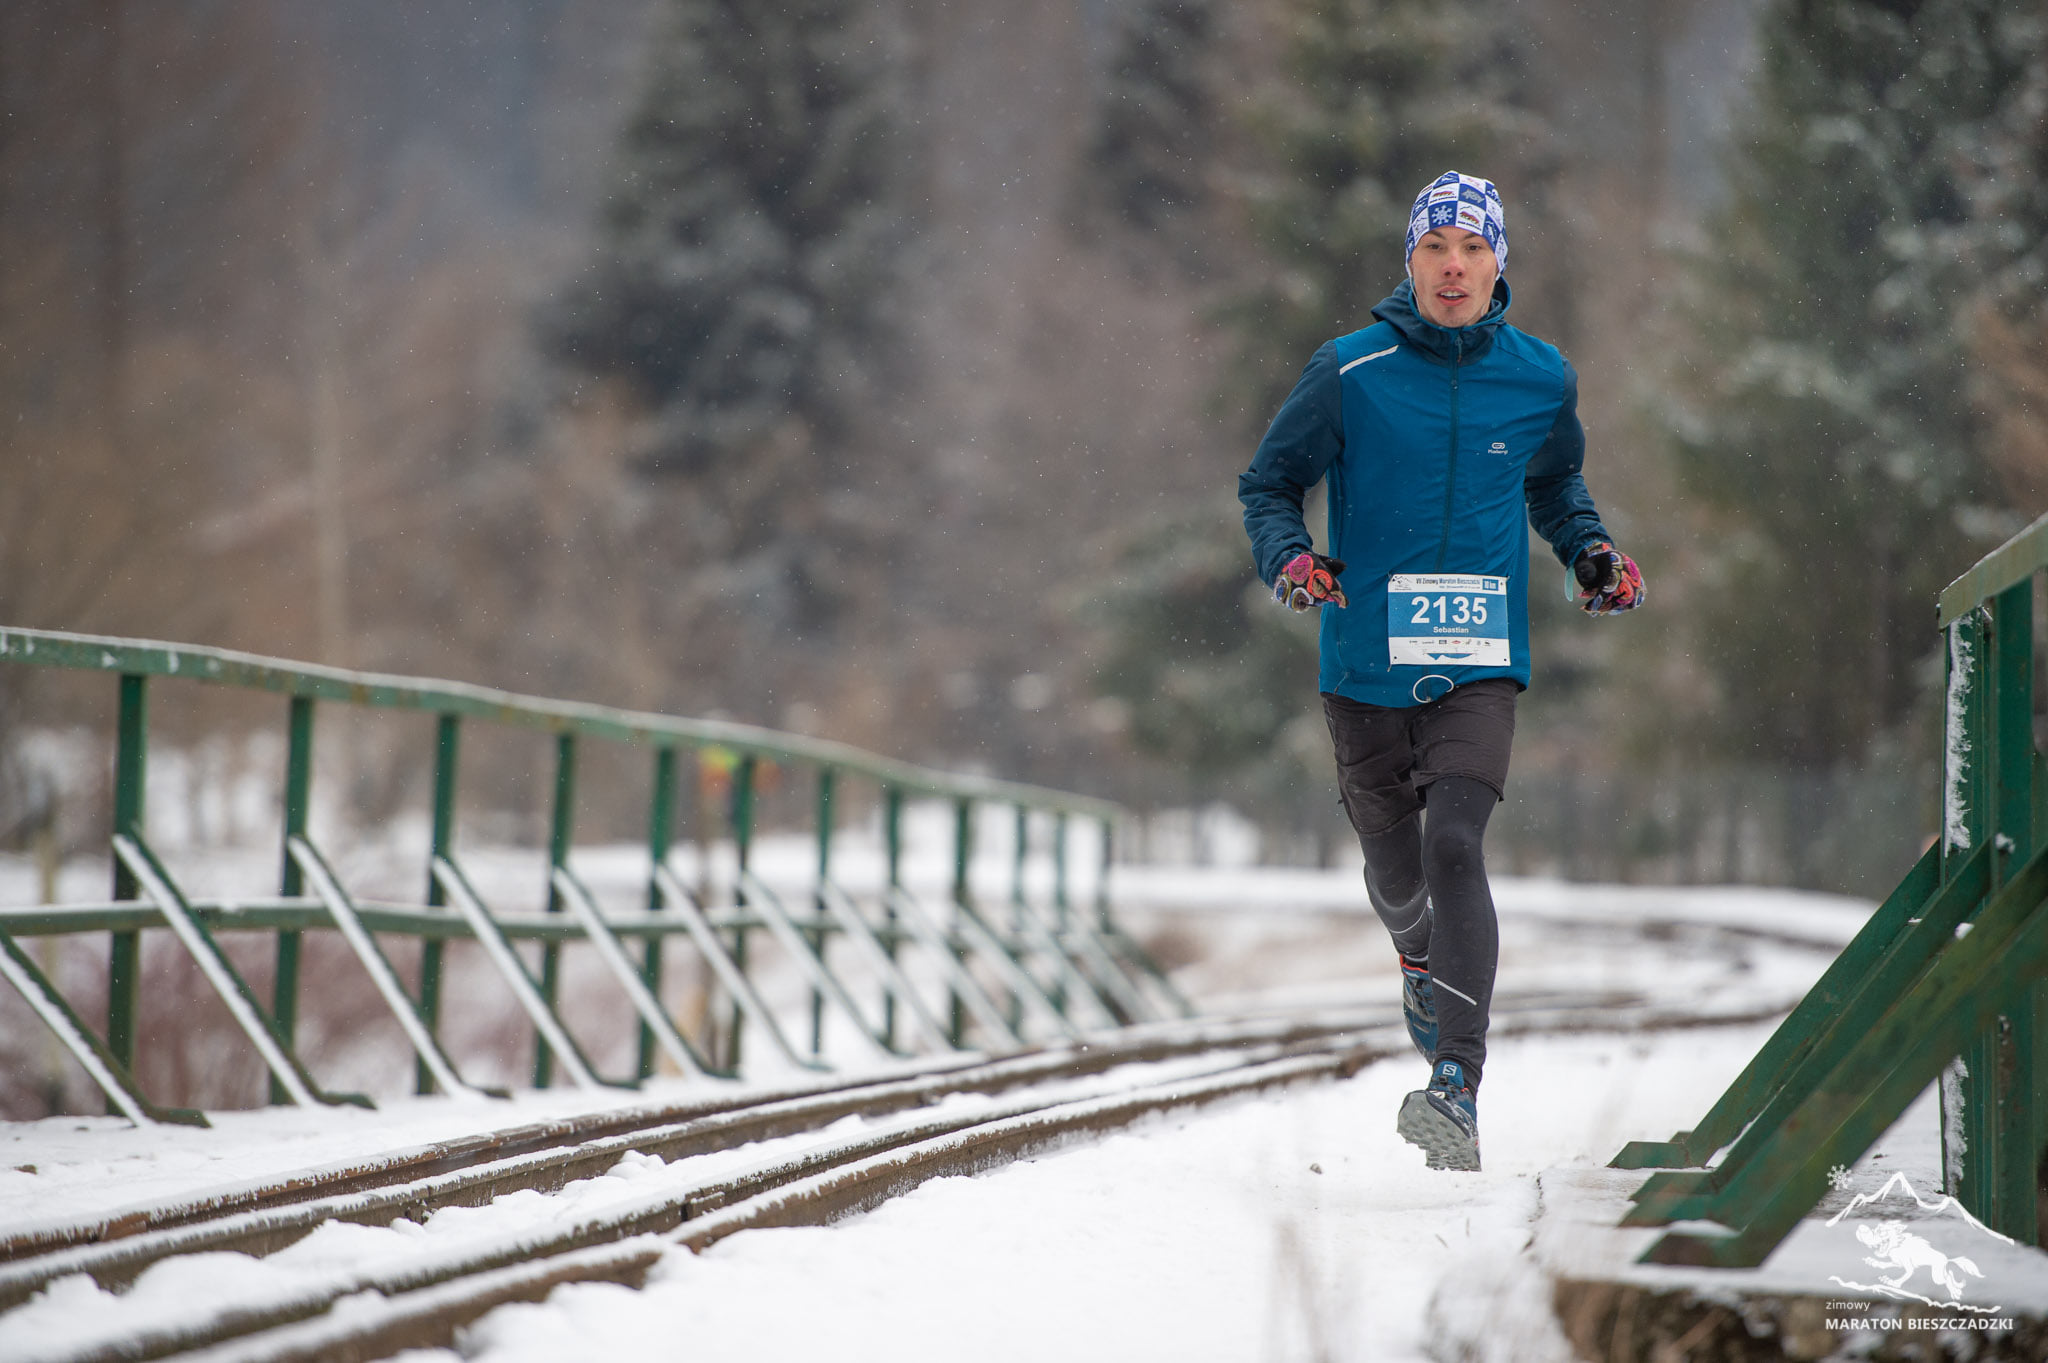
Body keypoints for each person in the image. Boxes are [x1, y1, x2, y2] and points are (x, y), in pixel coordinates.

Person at [1237, 170, 1643, 1171]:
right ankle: (1416, 957)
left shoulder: (1540, 377)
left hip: (1478, 659)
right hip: (1362, 660)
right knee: (1395, 874)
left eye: (1470, 248)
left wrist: (1588, 551)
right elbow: (1267, 484)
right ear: (1407, 263)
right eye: (1433, 249)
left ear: (1498, 261)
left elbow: (1553, 486)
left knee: (1455, 843)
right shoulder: (1349, 369)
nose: (1452, 266)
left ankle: (1454, 1085)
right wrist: (1290, 559)